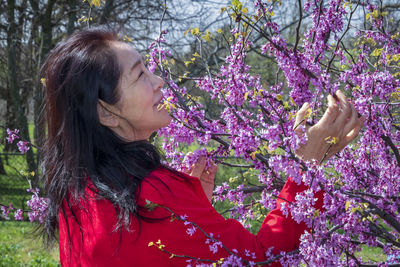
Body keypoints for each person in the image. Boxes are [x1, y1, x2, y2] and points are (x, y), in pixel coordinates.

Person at [40, 27, 364, 267]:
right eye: (141, 75)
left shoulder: (77, 194)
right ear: (105, 112)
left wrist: (196, 213)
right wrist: (304, 171)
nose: (159, 82)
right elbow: (263, 259)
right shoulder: (155, 196)